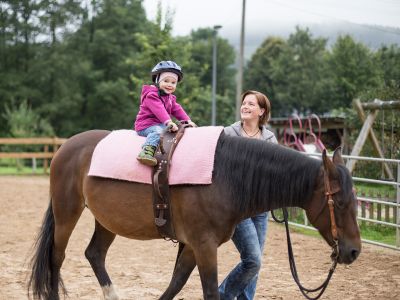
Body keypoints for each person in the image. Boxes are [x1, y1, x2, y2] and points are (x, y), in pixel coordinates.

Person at [219, 90, 278, 300]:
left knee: (254, 263)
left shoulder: (269, 138)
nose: (245, 106)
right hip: (238, 208)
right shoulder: (228, 133)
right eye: (244, 103)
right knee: (253, 260)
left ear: (261, 111)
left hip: (261, 209)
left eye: (251, 104)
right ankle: (221, 295)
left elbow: (274, 172)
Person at [134, 60, 195, 166]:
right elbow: (159, 109)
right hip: (146, 125)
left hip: (161, 124)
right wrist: (168, 122)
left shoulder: (170, 98)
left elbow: (177, 109)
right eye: (166, 81)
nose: (169, 84)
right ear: (157, 81)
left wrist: (187, 120)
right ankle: (146, 152)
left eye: (173, 82)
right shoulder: (151, 95)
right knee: (158, 132)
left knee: (175, 134)